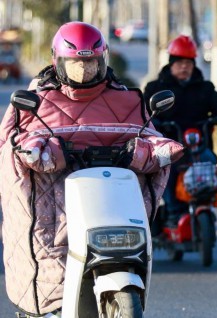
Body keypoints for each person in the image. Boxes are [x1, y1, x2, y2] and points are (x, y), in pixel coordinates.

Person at [0, 21, 183, 316]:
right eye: (75, 64)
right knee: (49, 256)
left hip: (112, 199)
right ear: (58, 62)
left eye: (91, 63)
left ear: (103, 60)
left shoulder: (126, 100)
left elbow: (151, 137)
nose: (84, 71)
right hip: (57, 203)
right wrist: (38, 152)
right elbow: (10, 144)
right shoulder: (35, 100)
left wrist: (153, 151)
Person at [143, 35, 217, 226]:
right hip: (168, 146)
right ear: (171, 64)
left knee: (210, 161)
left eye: (188, 63)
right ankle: (173, 212)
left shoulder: (205, 88)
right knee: (167, 171)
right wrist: (155, 123)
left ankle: (205, 202)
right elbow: (143, 112)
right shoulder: (156, 88)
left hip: (198, 147)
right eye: (179, 63)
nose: (184, 67)